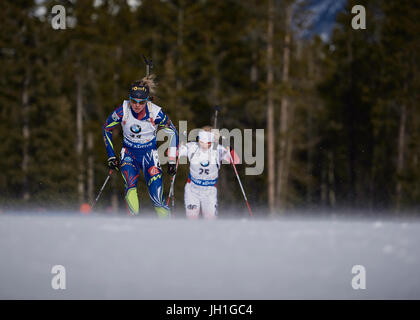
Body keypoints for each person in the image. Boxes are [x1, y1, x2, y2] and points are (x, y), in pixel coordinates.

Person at [102, 75, 178, 217]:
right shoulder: (122, 111)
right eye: (133, 101)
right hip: (129, 155)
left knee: (157, 199)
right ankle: (133, 226)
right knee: (130, 188)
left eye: (141, 102)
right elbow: (106, 128)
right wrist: (111, 155)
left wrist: (172, 161)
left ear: (147, 100)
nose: (137, 105)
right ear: (129, 99)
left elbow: (173, 132)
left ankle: (168, 228)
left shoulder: (156, 113)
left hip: (149, 155)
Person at [178, 126, 237, 219]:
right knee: (192, 218)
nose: (204, 145)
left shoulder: (218, 149)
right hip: (192, 190)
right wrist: (178, 146)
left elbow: (235, 160)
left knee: (210, 219)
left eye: (208, 142)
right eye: (201, 141)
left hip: (209, 192)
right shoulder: (192, 147)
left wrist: (230, 148)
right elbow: (172, 153)